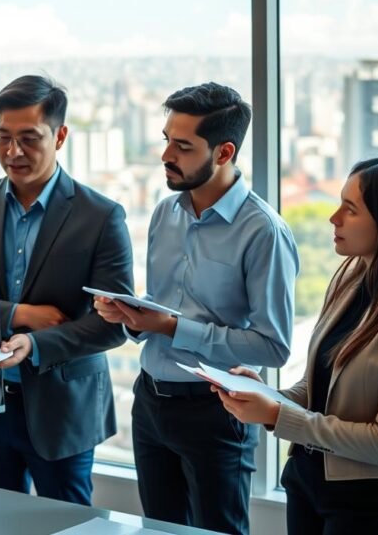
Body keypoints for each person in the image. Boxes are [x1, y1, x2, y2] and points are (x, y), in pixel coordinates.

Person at [216, 157, 378, 534]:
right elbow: (320, 387)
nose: (333, 218)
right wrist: (264, 395)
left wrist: (276, 415)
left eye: (350, 209)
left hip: (373, 506)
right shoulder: (354, 282)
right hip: (309, 481)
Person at [93, 82, 299, 534]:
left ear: (224, 153)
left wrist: (170, 326)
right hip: (150, 403)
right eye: (167, 139)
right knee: (159, 530)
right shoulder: (165, 213)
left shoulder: (263, 232)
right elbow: (162, 309)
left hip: (216, 413)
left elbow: (274, 347)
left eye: (183, 146)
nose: (166, 155)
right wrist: (132, 318)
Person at [0, 75, 134, 505]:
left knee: (70, 524)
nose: (12, 152)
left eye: (28, 138)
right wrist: (20, 314)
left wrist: (35, 343)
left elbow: (113, 326)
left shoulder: (100, 216)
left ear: (60, 136)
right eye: (3, 138)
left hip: (62, 409)